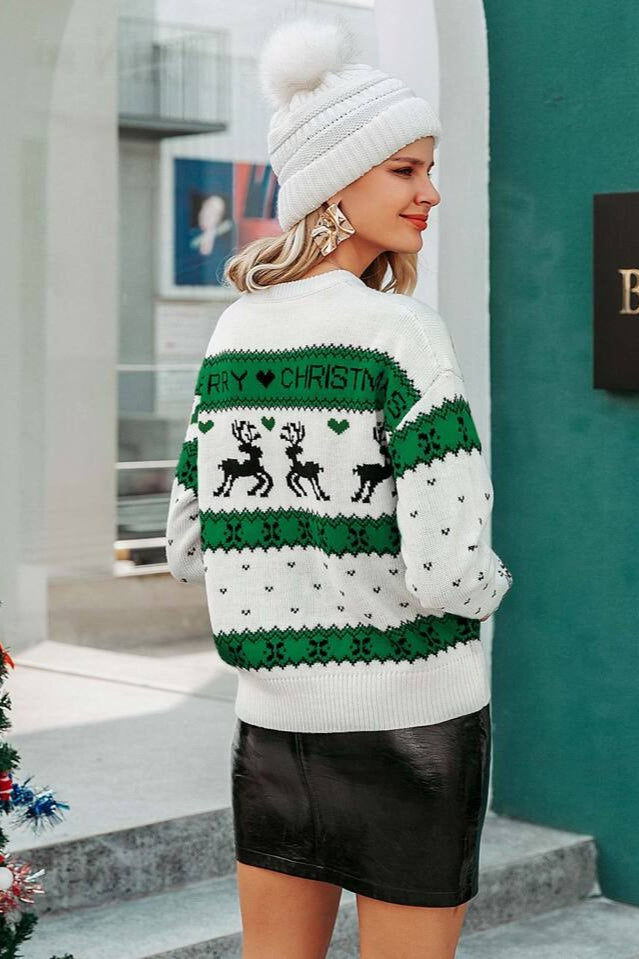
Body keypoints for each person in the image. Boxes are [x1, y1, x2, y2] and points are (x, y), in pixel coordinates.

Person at [165, 15, 513, 959]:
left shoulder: (234, 333)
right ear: (334, 179)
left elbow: (188, 544)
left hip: (271, 732)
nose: (430, 192)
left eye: (428, 169)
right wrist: (494, 585)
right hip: (414, 726)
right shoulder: (402, 334)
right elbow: (447, 572)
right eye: (404, 170)